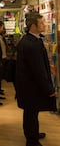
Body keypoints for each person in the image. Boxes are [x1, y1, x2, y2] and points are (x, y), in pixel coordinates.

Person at [15, 12, 57, 146]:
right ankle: (31, 140)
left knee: (32, 112)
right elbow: (38, 71)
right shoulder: (32, 44)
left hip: (29, 86)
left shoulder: (31, 40)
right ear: (33, 26)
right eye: (41, 23)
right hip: (31, 87)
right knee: (31, 113)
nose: (44, 24)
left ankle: (33, 134)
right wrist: (49, 89)